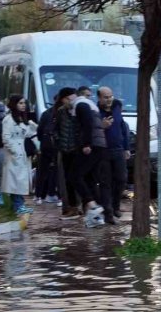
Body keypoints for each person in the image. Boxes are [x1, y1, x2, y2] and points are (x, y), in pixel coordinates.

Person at [71, 86, 110, 227]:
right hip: (99, 145)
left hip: (91, 145)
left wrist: (86, 144)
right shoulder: (92, 106)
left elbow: (86, 124)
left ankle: (93, 207)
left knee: (76, 176)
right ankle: (95, 217)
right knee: (90, 179)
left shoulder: (80, 104)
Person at [1, 94, 38, 215]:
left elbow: (27, 133)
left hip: (22, 152)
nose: (23, 105)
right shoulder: (9, 119)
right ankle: (18, 205)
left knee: (20, 180)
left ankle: (19, 204)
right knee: (15, 180)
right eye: (20, 103)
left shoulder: (22, 118)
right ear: (14, 104)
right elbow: (6, 138)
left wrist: (33, 126)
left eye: (24, 103)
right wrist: (15, 152)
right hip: (15, 154)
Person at [98, 86, 129, 222]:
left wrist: (126, 148)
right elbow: (90, 129)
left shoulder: (116, 109)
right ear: (99, 98)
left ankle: (115, 206)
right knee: (106, 182)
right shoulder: (95, 112)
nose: (109, 99)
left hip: (118, 149)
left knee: (121, 179)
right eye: (106, 97)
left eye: (110, 96)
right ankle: (108, 212)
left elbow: (123, 128)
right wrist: (101, 126)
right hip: (103, 151)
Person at [55, 87, 82, 219]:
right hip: (65, 151)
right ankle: (72, 207)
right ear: (63, 99)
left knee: (79, 179)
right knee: (68, 180)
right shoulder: (60, 112)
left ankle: (82, 205)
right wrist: (58, 141)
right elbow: (55, 129)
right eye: (69, 99)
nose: (71, 101)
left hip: (78, 151)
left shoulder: (80, 110)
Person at [34, 92, 62, 205]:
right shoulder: (56, 113)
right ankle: (51, 195)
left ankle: (40, 195)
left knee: (45, 171)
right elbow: (40, 131)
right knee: (53, 170)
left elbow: (40, 131)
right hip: (52, 145)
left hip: (47, 144)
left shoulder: (47, 113)